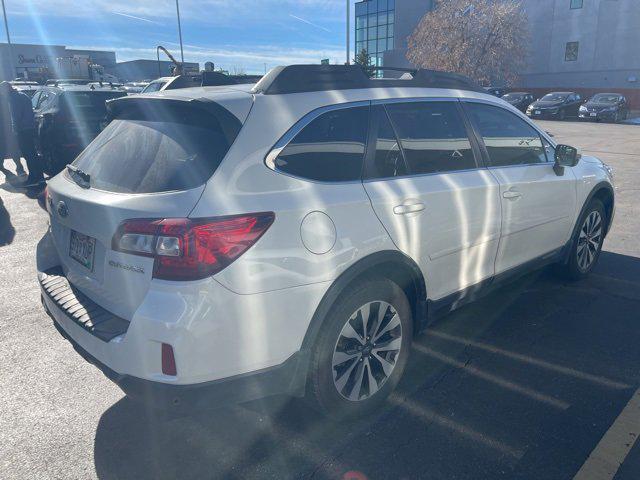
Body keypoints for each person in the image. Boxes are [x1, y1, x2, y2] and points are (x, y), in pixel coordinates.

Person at [0, 81, 44, 187]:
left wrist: (14, 131)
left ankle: (34, 178)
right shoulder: (22, 95)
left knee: (28, 154)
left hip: (23, 130)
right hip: (30, 128)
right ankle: (39, 177)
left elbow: (16, 116)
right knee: (32, 154)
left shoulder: (13, 98)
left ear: (6, 89)